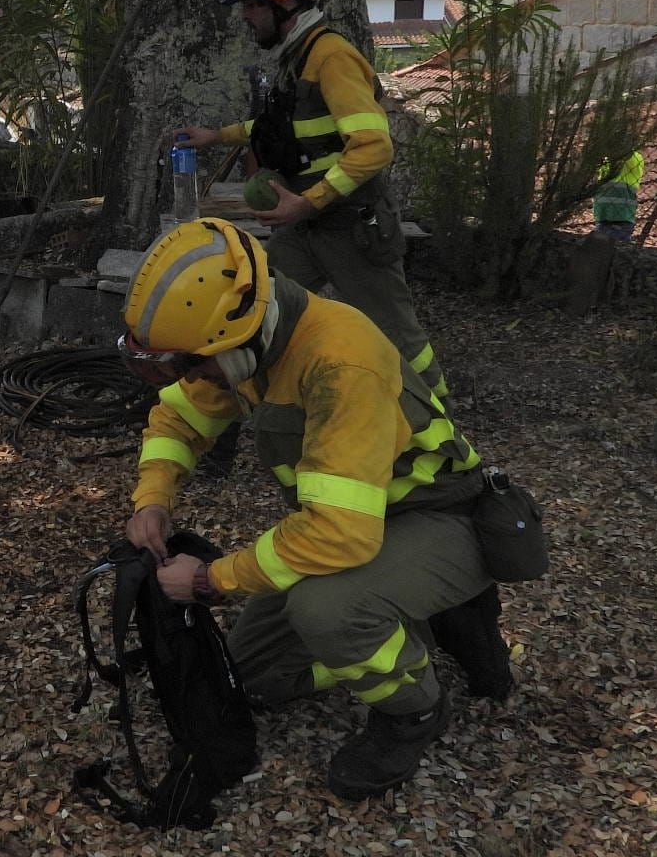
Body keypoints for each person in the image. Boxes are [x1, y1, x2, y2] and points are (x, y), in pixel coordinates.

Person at [117, 218, 510, 801]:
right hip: (360, 521)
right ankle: (410, 621)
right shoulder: (249, 341)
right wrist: (154, 496)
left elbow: (339, 534)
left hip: (440, 519)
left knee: (327, 610)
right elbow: (178, 417)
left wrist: (209, 579)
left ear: (238, 335)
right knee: (250, 677)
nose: (189, 376)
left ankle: (415, 709)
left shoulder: (338, 361)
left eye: (192, 363)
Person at [172, 0, 449, 400]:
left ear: (281, 4)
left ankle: (439, 428)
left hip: (350, 224)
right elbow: (284, 126)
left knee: (396, 334)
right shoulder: (297, 57)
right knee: (264, 305)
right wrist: (217, 136)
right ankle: (254, 404)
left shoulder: (332, 57)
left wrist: (309, 201)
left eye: (251, 6)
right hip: (307, 224)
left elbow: (373, 146)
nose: (244, 15)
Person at [593, 149, 645, 241]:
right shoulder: (606, 159)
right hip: (603, 216)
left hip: (621, 218)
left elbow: (626, 153)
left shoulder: (635, 158)